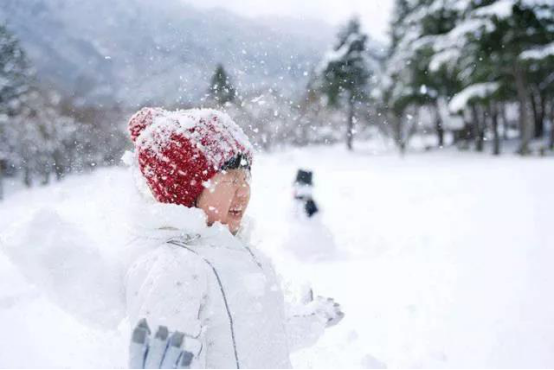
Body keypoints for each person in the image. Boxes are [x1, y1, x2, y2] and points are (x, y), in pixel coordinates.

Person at [125, 108, 344, 369]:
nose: (243, 193)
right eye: (229, 180)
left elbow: (265, 337)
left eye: (245, 177)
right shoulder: (175, 270)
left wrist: (313, 318)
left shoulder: (246, 256)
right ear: (183, 192)